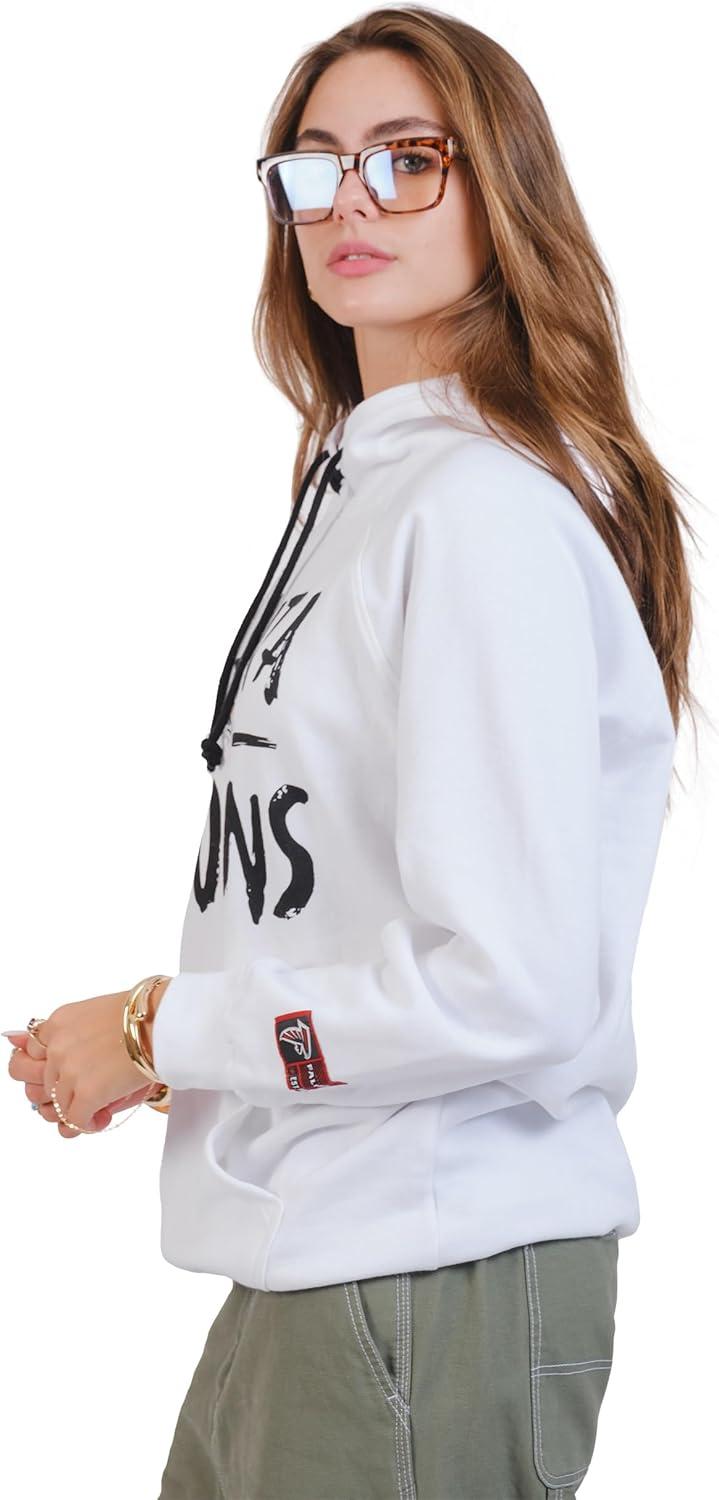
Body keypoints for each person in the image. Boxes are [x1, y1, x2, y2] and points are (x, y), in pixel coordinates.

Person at [5, 8, 699, 1498]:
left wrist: (160, 1031)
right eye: (314, 167)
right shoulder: (373, 482)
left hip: (433, 1259)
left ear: (500, 189)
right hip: (326, 1254)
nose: (350, 204)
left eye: (407, 160)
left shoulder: (480, 513)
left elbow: (505, 984)